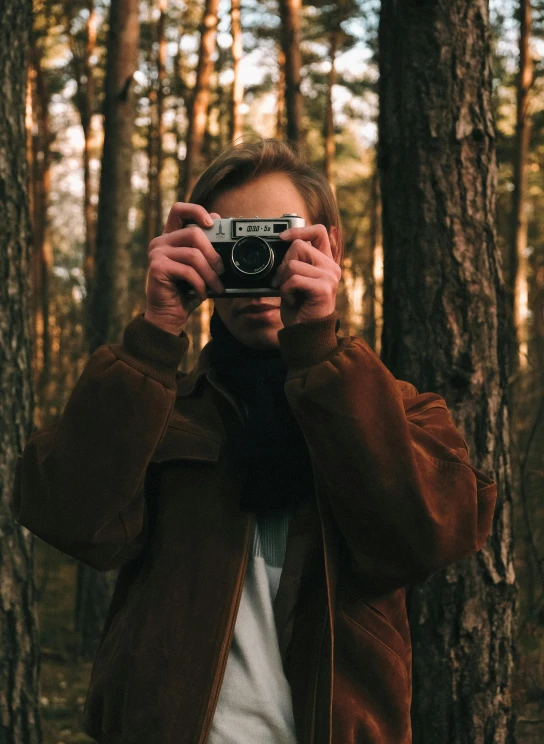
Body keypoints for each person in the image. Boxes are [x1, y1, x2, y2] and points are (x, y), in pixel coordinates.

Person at [14, 138, 497, 744]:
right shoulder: (156, 404)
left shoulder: (392, 410)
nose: (255, 263)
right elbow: (65, 514)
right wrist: (155, 335)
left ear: (329, 251)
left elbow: (425, 539)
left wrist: (320, 353)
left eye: (278, 244)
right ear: (199, 249)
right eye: (234, 242)